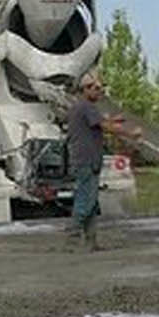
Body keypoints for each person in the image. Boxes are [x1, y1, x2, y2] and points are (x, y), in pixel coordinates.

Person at [63, 72, 138, 251]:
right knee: (86, 200)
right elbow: (106, 127)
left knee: (92, 201)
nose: (99, 92)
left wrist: (113, 120)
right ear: (86, 89)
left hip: (84, 159)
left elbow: (98, 123)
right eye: (96, 89)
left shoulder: (79, 107)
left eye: (101, 89)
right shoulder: (87, 107)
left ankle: (91, 242)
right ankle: (71, 239)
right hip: (87, 159)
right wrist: (131, 133)